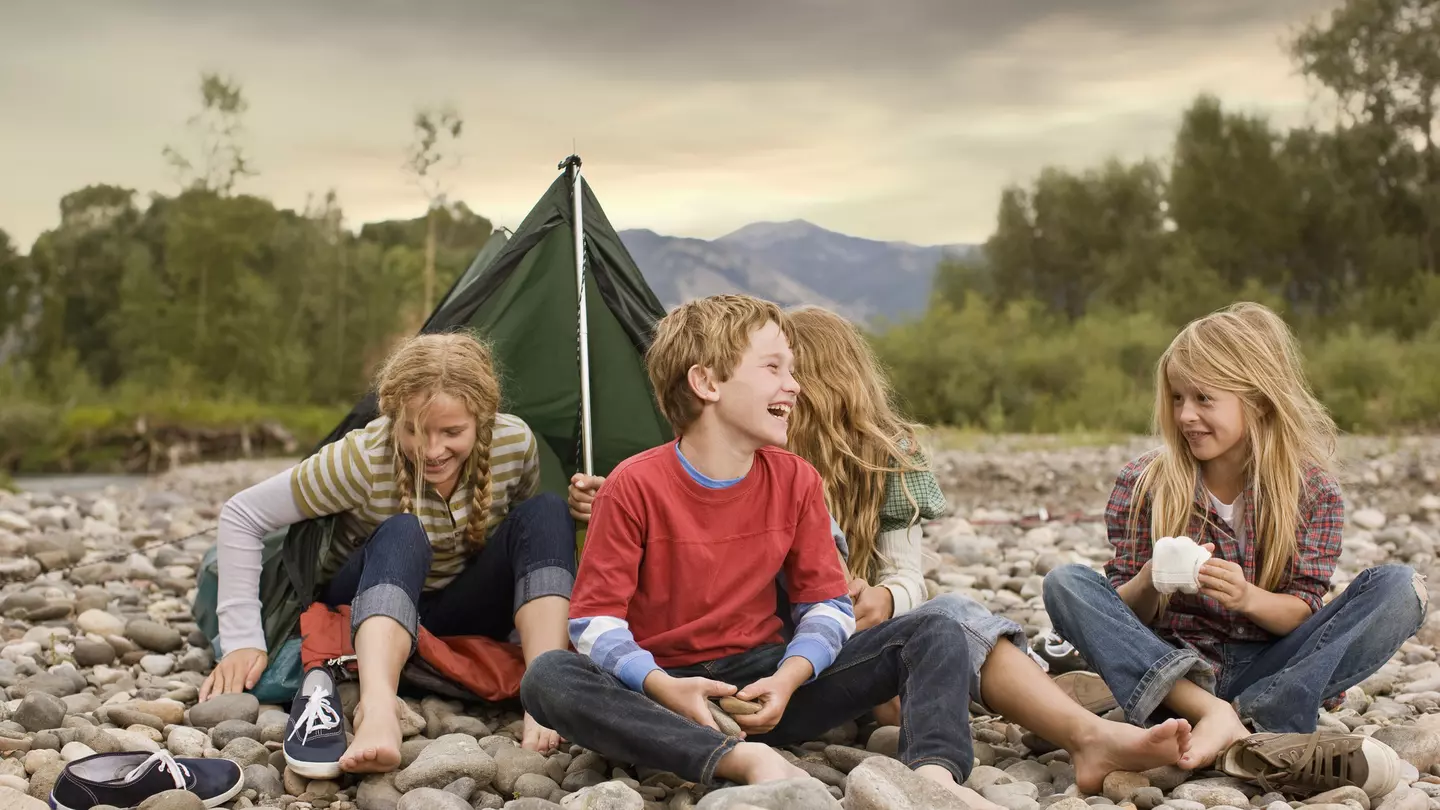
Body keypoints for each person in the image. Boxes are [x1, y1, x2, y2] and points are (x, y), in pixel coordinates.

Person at [524, 294, 1193, 805]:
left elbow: (824, 604)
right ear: (707, 384)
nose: (794, 385)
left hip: (768, 680)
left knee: (932, 632)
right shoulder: (635, 485)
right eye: (775, 368)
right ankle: (739, 762)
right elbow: (595, 623)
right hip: (666, 690)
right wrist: (666, 686)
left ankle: (932, 778)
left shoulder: (795, 480)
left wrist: (788, 678)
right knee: (549, 677)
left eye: (795, 369)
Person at [1043, 303, 1425, 778]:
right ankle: (1227, 721)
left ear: (1259, 401)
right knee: (1064, 583)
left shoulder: (1311, 491)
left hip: (1269, 662)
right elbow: (1121, 615)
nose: (1186, 416)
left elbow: (1302, 611)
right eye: (1178, 398)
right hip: (1175, 668)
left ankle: (1261, 715)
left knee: (1401, 587)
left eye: (1204, 399)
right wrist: (1148, 581)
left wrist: (1247, 596)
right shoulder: (1145, 481)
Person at [199, 332, 576, 773]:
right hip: (368, 606)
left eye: (452, 432)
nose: (432, 451)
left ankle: (544, 691)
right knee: (402, 529)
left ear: (484, 418)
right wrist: (242, 640)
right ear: (393, 415)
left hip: (460, 609)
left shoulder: (515, 444)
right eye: (413, 430)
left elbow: (524, 538)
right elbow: (242, 514)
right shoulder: (360, 458)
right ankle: (378, 709)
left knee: (549, 509)